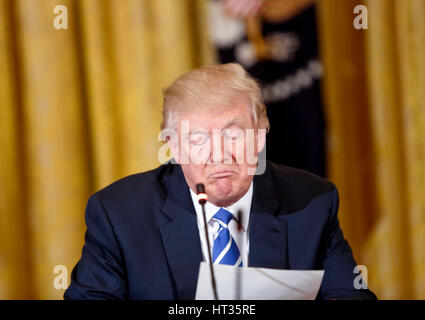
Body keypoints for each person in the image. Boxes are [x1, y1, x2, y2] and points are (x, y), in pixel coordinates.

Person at [64, 63, 376, 300]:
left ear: (259, 137)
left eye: (234, 134)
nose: (220, 154)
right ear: (174, 147)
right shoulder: (119, 215)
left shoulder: (311, 202)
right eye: (199, 138)